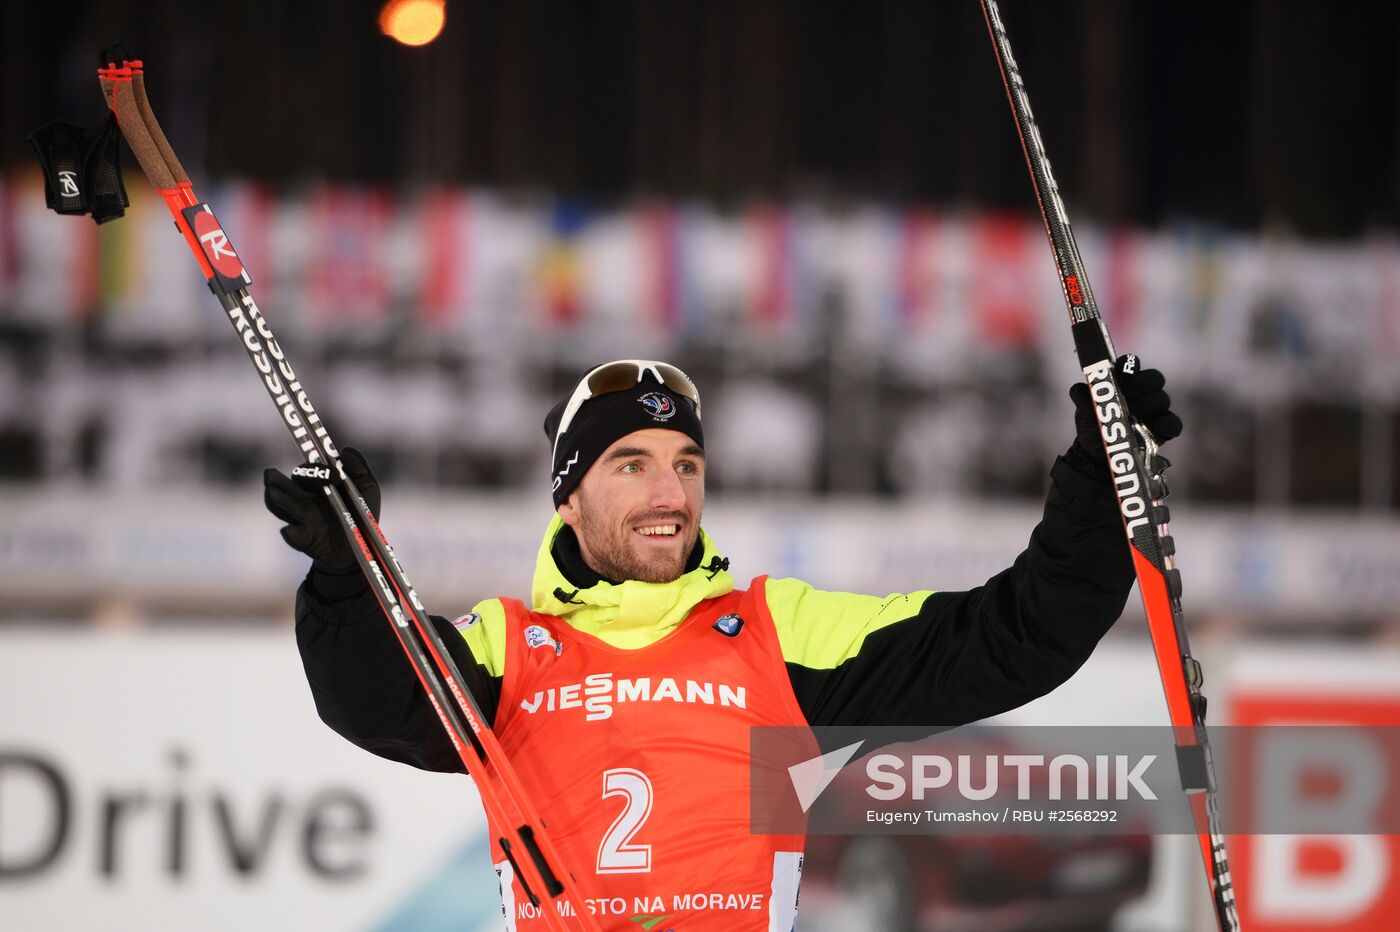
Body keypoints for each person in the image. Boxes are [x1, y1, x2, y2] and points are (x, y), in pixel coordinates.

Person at [263, 357, 1180, 931]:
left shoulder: (776, 638)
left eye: (686, 465)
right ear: (570, 497)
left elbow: (1015, 637)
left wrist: (1100, 480)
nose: (670, 493)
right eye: (633, 464)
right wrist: (347, 571)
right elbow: (370, 695)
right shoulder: (509, 648)